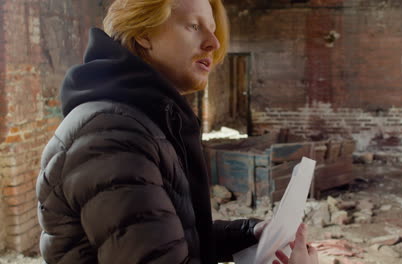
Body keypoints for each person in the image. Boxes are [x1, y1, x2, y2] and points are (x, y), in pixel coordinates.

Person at [36, 0, 265, 263]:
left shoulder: (142, 120)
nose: (213, 43)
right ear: (144, 33)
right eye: (193, 26)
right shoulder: (111, 135)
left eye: (212, 29)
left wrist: (249, 233)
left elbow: (168, 235)